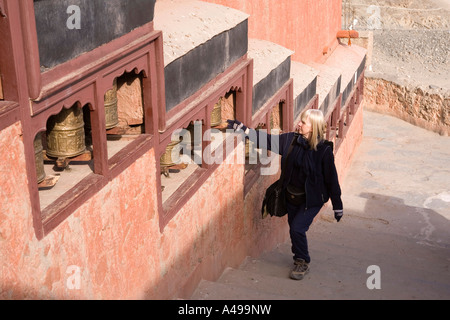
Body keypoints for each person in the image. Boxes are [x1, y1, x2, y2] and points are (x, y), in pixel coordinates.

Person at [227, 108, 343, 280]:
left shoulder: (324, 152)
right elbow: (267, 140)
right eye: (300, 121)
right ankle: (299, 255)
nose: (299, 124)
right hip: (290, 196)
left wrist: (337, 205)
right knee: (293, 228)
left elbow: (331, 179)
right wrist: (244, 130)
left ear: (313, 127)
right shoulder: (290, 140)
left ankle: (302, 261)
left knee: (297, 228)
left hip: (311, 200)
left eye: (303, 122)